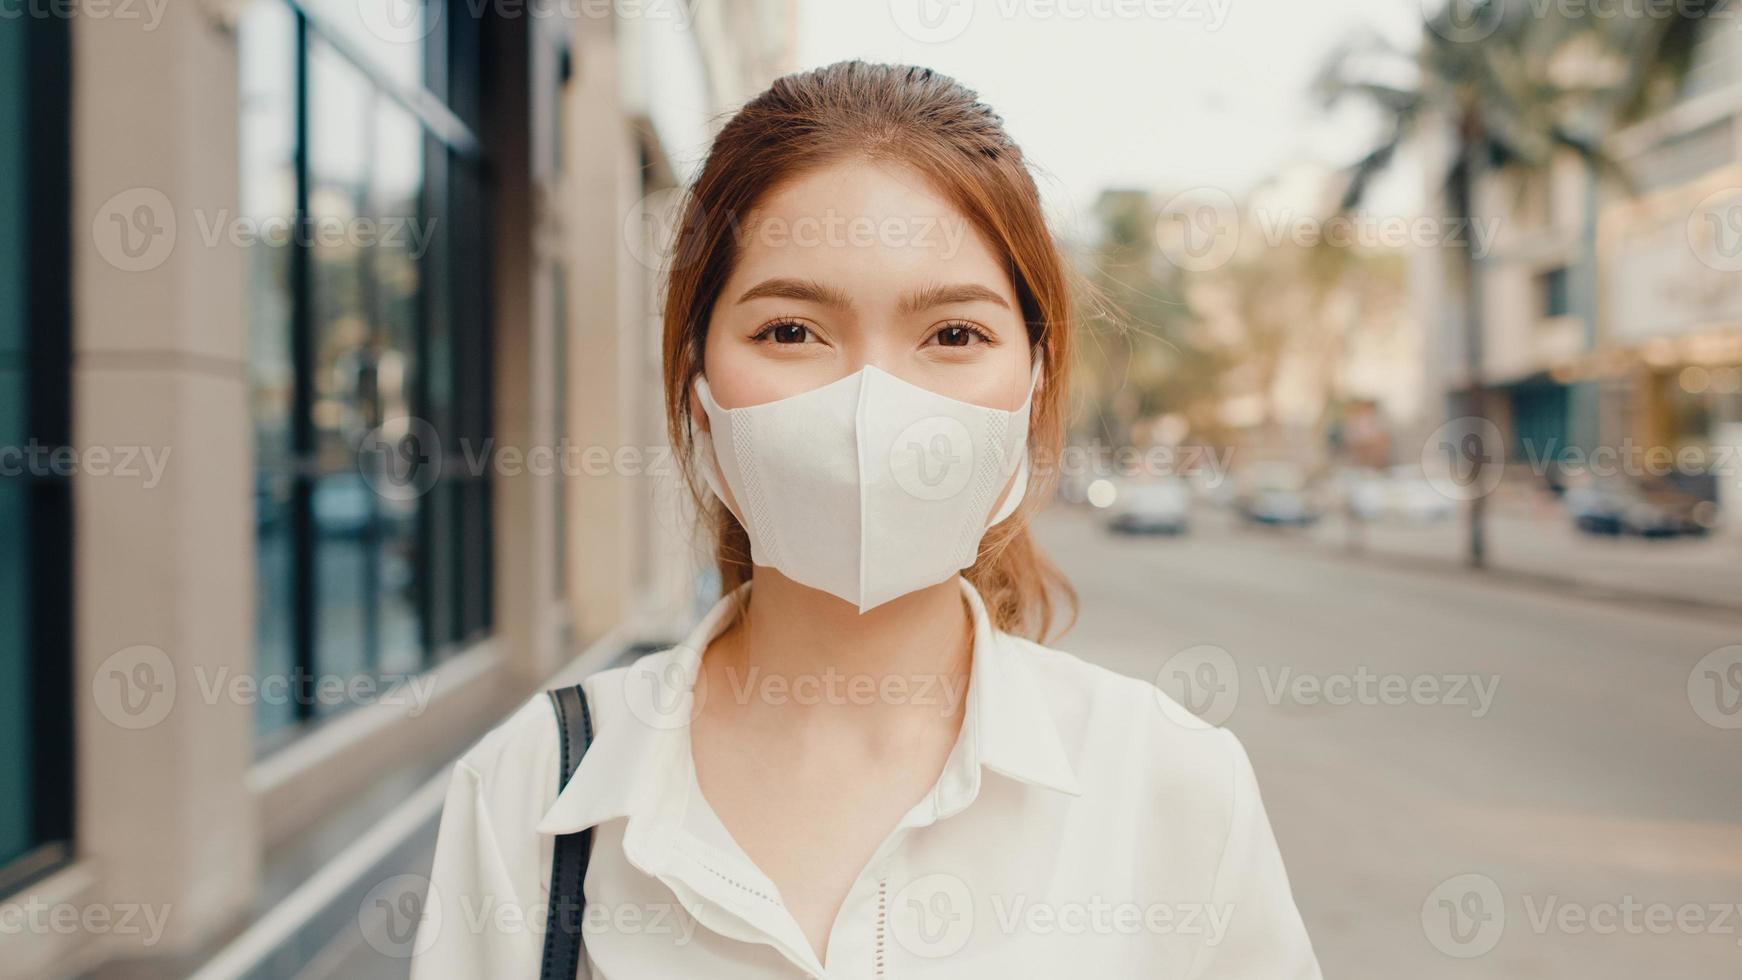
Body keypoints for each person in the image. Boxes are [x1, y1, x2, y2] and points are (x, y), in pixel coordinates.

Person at [413, 60, 1321, 979]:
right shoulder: (533, 788)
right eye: (791, 331)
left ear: (1033, 387)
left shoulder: (1172, 784)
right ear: (697, 389)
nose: (870, 405)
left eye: (954, 335)